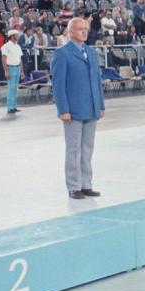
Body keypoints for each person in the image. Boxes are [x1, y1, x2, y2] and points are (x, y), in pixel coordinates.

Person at [51, 17, 105, 200]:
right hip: (73, 110)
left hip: (91, 108)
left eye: (86, 29)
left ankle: (86, 184)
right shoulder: (62, 54)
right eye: (80, 29)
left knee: (88, 148)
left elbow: (97, 80)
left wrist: (101, 104)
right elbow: (58, 85)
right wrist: (63, 109)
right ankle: (74, 186)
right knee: (74, 149)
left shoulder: (90, 52)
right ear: (70, 32)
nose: (84, 32)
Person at [0, 29, 23, 114]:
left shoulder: (18, 46)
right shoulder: (5, 46)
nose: (17, 36)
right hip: (11, 68)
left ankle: (14, 106)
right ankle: (10, 107)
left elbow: (20, 59)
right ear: (12, 36)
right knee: (11, 88)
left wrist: (22, 71)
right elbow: (3, 59)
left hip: (17, 68)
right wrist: (6, 71)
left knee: (15, 89)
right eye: (16, 35)